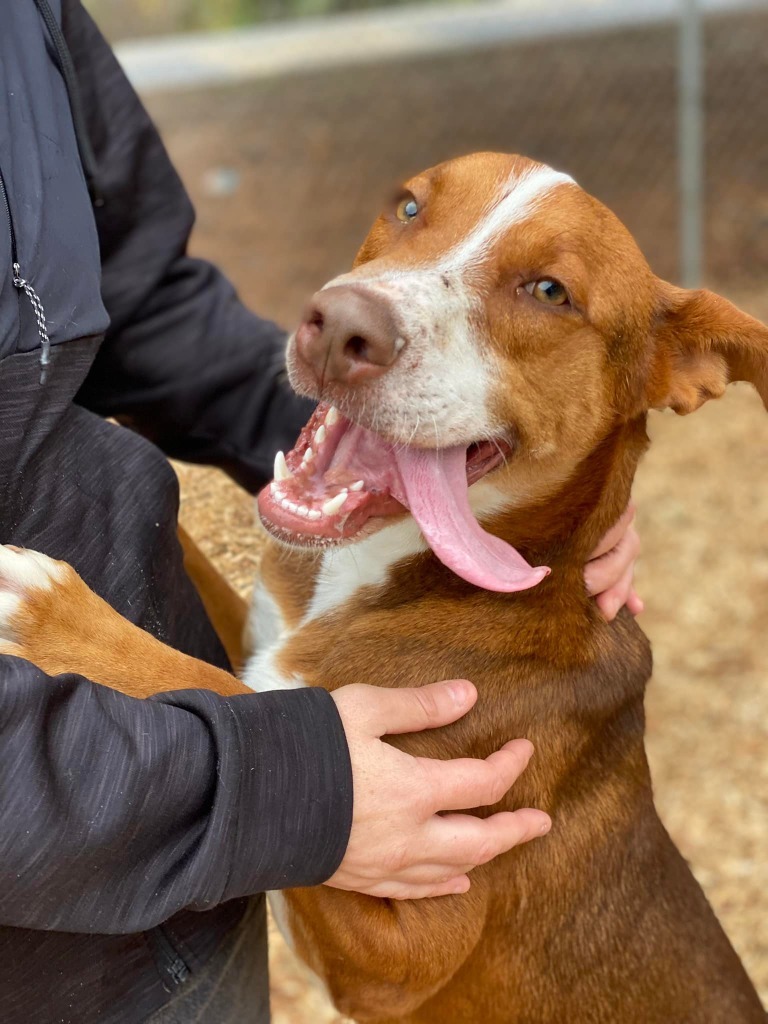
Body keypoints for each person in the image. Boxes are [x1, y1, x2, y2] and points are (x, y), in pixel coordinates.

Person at [0, 2, 642, 1022]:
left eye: (548, 292)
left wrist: (529, 475)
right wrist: (291, 784)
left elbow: (142, 295)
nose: (367, 291)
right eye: (412, 208)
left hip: (163, 908)